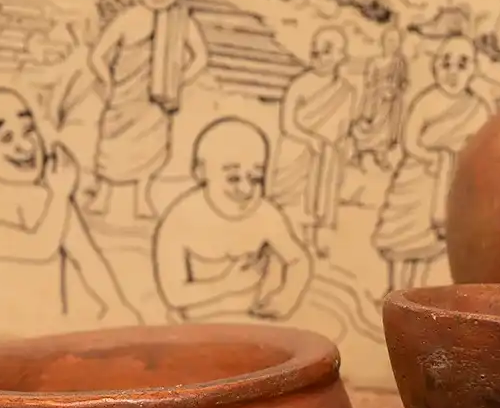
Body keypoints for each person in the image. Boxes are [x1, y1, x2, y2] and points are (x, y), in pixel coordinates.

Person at [0, 88, 138, 323]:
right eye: (7, 138)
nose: (26, 146)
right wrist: (59, 196)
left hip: (51, 332)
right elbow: (38, 247)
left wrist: (116, 305)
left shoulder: (48, 196)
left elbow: (87, 257)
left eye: (29, 130)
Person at [84, 0, 208, 221]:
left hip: (158, 99)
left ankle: (142, 197)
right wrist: (108, 82)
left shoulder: (180, 22)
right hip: (124, 97)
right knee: (112, 142)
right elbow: (97, 56)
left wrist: (178, 80)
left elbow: (201, 57)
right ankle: (103, 193)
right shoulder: (129, 19)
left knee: (150, 145)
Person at [153, 117, 312, 323]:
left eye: (255, 178)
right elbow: (173, 294)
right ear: (201, 172)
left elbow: (298, 260)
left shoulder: (266, 214)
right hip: (192, 329)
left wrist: (286, 298)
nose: (246, 189)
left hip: (250, 325)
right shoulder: (179, 219)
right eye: (233, 178)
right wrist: (226, 284)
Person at [372, 36, 497, 291]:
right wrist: (433, 158)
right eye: (446, 63)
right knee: (403, 239)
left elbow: (483, 147)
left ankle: (414, 290)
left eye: (462, 65)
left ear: (474, 68)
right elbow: (409, 140)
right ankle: (394, 288)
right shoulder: (426, 101)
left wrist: (457, 164)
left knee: (427, 244)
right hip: (417, 178)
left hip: (449, 183)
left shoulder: (479, 108)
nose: (452, 72)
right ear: (435, 67)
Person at [269, 27, 355, 257]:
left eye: (328, 51)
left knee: (318, 202)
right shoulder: (300, 84)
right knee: (294, 203)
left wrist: (343, 145)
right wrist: (309, 139)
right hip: (298, 151)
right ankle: (288, 243)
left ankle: (311, 242)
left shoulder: (346, 91)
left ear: (340, 56)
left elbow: (344, 126)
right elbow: (287, 124)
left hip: (327, 156)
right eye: (317, 51)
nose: (320, 57)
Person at [354, 24, 408, 169]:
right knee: (370, 126)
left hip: (392, 102)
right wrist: (379, 91)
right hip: (376, 100)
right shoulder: (374, 62)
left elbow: (403, 81)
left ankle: (381, 156)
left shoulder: (399, 62)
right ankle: (359, 151)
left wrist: (396, 90)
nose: (393, 44)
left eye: (396, 41)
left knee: (387, 132)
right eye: (390, 40)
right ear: (383, 41)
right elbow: (369, 82)